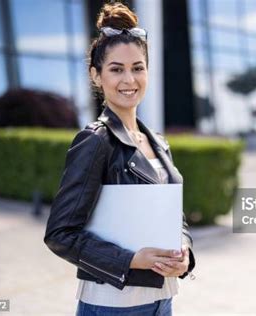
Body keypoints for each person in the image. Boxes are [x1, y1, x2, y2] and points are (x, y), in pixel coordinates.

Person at [43, 2, 195, 315]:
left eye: (138, 67)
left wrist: (185, 252)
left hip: (162, 299)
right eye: (116, 69)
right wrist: (130, 260)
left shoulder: (158, 142)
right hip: (115, 304)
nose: (129, 79)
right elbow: (60, 235)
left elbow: (172, 214)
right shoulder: (95, 141)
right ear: (96, 76)